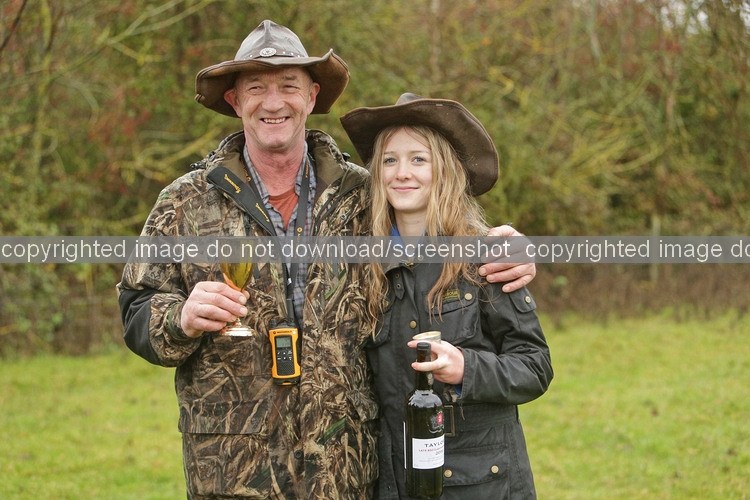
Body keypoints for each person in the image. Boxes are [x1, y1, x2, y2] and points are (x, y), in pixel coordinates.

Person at [118, 20, 535, 500]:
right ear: (234, 100)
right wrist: (180, 319)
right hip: (231, 469)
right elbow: (137, 309)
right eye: (256, 88)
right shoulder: (184, 202)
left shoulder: (365, 194)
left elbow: (438, 229)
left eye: (288, 86)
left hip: (346, 467)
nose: (273, 103)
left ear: (312, 96)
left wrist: (506, 247)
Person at [340, 93, 553, 499]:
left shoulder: (487, 256)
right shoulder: (362, 265)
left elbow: (535, 366)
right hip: (395, 481)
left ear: (445, 170)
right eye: (390, 160)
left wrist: (466, 368)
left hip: (481, 485)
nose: (402, 173)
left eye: (418, 159)